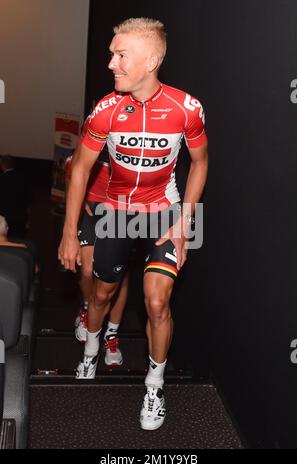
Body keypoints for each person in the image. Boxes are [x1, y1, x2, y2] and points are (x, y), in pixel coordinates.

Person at [59, 17, 208, 431]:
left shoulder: (186, 108)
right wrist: (70, 233)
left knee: (158, 302)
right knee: (102, 292)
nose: (111, 63)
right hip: (116, 211)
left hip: (166, 213)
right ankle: (90, 348)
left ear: (152, 59)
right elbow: (80, 170)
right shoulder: (106, 109)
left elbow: (200, 162)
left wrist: (186, 218)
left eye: (121, 55)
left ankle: (155, 385)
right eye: (111, 54)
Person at [65, 126, 129, 366]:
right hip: (90, 210)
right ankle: (86, 307)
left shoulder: (129, 147)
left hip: (119, 212)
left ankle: (111, 336)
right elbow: (72, 177)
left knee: (119, 276)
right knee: (86, 270)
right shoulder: (87, 142)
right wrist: (81, 204)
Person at [0, 155, 29, 237]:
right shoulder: (23, 179)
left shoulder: (1, 179)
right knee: (18, 242)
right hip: (20, 218)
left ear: (2, 165)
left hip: (4, 219)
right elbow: (28, 199)